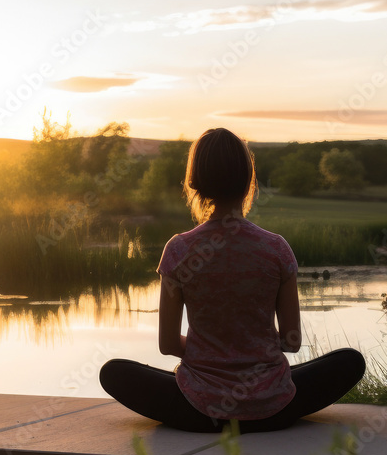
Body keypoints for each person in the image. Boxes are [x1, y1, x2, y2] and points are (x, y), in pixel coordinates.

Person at [99, 127, 366, 432]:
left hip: (198, 410)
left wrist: (211, 353)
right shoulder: (276, 248)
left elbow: (168, 343)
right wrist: (253, 350)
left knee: (114, 373)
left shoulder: (179, 249)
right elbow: (291, 342)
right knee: (349, 362)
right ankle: (261, 407)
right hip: (273, 408)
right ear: (248, 180)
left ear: (194, 183)